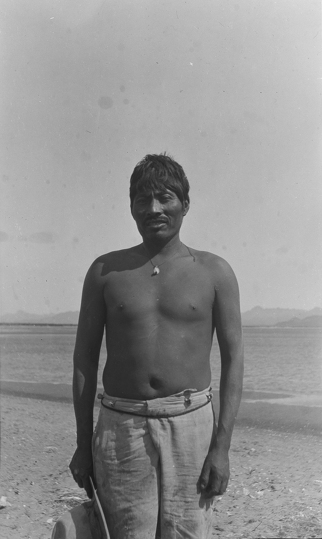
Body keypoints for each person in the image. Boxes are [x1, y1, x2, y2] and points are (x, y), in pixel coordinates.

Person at [69, 153, 244, 539]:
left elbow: (234, 362)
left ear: (185, 203)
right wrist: (83, 445)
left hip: (192, 424)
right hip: (120, 426)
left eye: (165, 197)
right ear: (130, 206)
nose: (154, 209)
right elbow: (83, 360)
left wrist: (222, 448)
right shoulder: (104, 272)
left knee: (187, 532)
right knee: (127, 533)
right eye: (143, 199)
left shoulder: (214, 272)